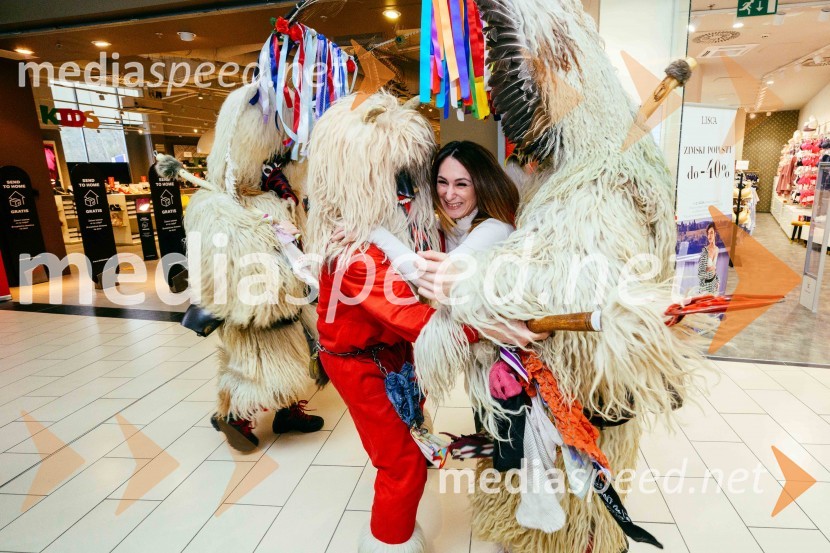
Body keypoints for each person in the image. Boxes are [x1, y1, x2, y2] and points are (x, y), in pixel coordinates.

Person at [305, 92, 544, 553]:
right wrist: (489, 328)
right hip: (368, 362)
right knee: (401, 465)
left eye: (462, 184)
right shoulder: (362, 248)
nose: (445, 194)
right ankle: (389, 541)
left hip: (423, 356)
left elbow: (423, 277)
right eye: (439, 182)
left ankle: (521, 516)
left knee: (498, 442)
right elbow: (417, 316)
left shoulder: (476, 229)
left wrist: (373, 229)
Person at [698, 222, 720, 294]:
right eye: (708, 233)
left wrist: (717, 281)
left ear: (715, 234)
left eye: (711, 233)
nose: (709, 236)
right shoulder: (705, 251)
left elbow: (714, 271)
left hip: (714, 285)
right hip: (705, 286)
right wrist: (711, 268)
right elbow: (700, 274)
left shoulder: (717, 249)